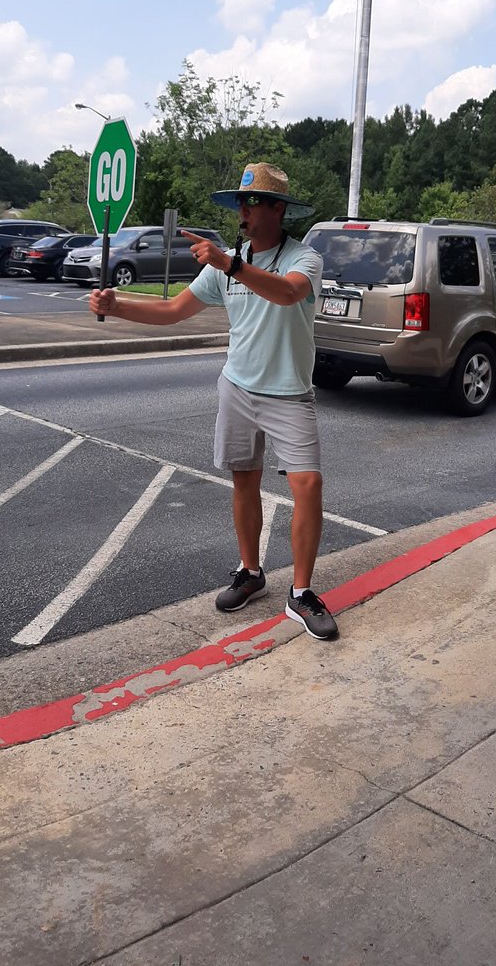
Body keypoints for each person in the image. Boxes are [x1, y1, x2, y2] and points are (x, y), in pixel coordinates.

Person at [89, 163, 338, 641]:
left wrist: (231, 265)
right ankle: (251, 572)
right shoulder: (227, 265)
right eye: (240, 202)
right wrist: (118, 306)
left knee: (308, 486)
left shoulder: (303, 259)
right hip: (238, 389)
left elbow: (287, 295)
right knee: (244, 483)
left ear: (277, 209)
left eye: (253, 202)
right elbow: (173, 310)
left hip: (289, 394)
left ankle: (301, 594)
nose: (243, 210)